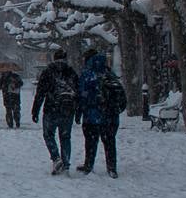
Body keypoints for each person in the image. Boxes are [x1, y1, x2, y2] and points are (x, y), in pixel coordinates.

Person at [76, 50, 125, 178]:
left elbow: (82, 95)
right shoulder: (109, 73)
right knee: (109, 142)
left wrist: (79, 111)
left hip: (92, 116)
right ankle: (112, 167)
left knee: (91, 142)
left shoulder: (88, 74)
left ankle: (89, 165)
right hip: (111, 115)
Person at [31, 48, 80, 175]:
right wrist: (78, 111)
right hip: (67, 110)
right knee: (65, 137)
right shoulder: (71, 72)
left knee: (48, 135)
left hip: (51, 109)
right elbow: (78, 92)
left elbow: (40, 92)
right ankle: (66, 163)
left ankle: (56, 157)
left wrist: (35, 110)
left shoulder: (48, 72)